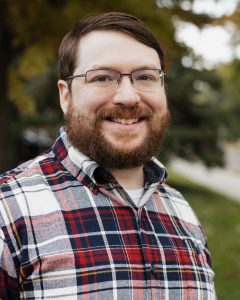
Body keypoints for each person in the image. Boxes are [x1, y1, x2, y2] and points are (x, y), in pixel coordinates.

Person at [0, 12, 215, 299]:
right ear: (66, 96)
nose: (128, 96)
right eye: (102, 77)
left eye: (145, 77)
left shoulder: (183, 212)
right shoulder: (8, 211)